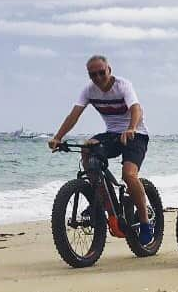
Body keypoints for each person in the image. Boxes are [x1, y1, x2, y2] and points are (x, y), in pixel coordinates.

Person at [48, 55, 153, 245]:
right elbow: (74, 115)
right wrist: (58, 137)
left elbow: (137, 109)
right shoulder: (88, 90)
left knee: (129, 175)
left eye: (101, 72)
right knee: (87, 148)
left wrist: (131, 127)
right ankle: (103, 199)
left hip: (136, 134)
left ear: (109, 69)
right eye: (92, 74)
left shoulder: (122, 85)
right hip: (112, 134)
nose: (97, 77)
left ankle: (145, 222)